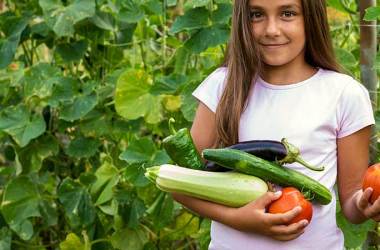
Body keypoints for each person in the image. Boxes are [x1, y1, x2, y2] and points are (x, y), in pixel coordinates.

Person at [172, 0, 380, 249]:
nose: (271, 29)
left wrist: (365, 204)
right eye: (256, 15)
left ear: (311, 18)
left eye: (288, 13)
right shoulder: (223, 86)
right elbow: (180, 184)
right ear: (241, 20)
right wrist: (239, 219)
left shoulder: (344, 94)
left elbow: (352, 204)